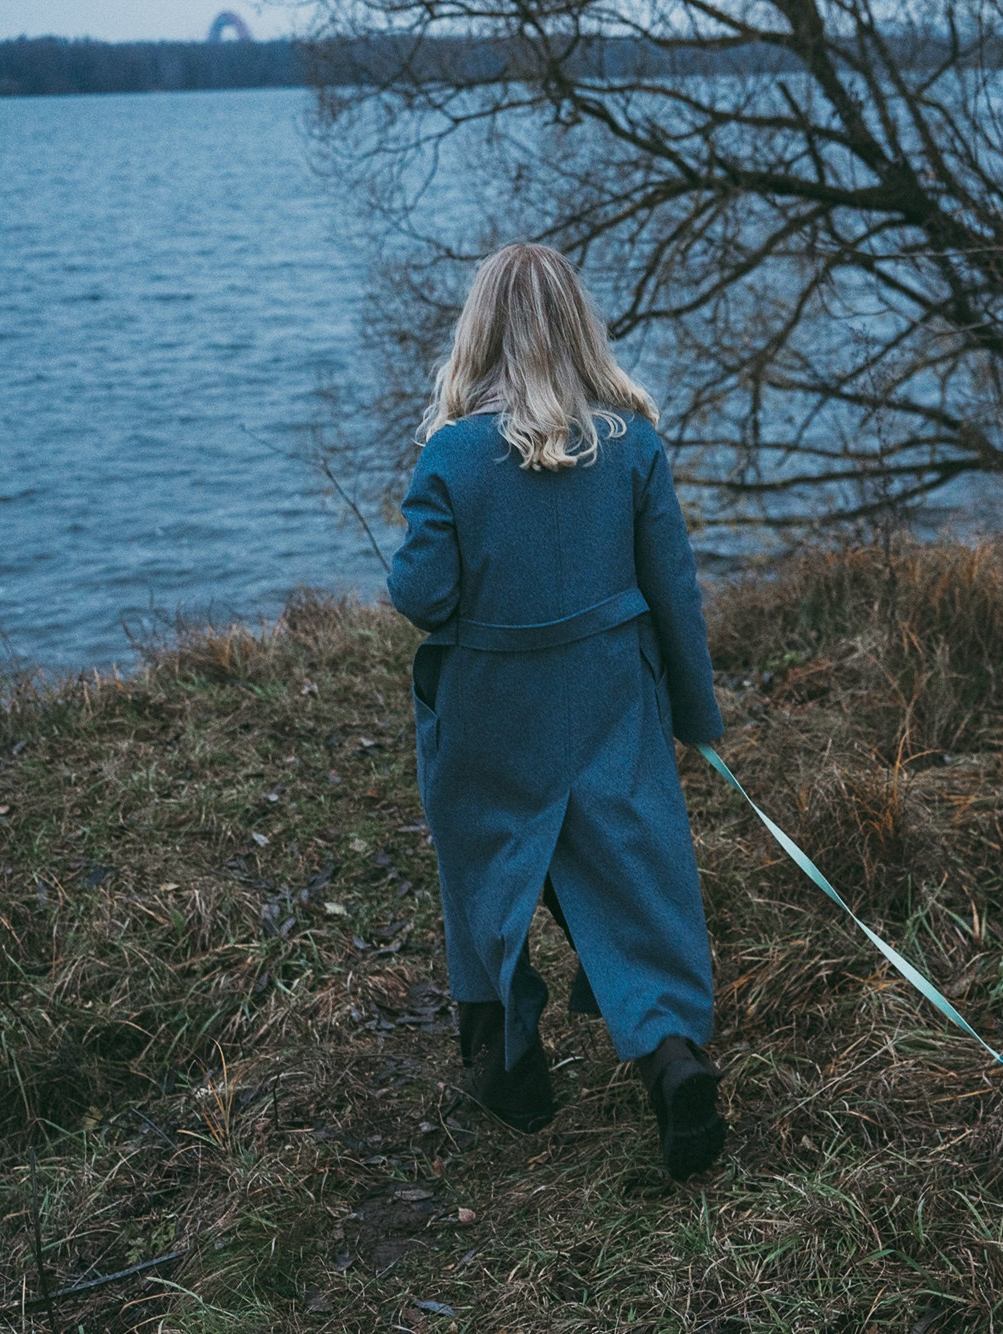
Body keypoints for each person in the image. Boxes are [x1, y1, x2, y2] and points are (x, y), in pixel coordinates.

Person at [385, 242, 727, 1181]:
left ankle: (510, 1068)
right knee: (633, 875)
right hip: (611, 701)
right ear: (579, 330)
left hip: (490, 715)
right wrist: (694, 719)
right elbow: (676, 594)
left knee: (486, 874)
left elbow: (420, 595)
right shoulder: (633, 446)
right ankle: (672, 1062)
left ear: (480, 332)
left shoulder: (451, 457)